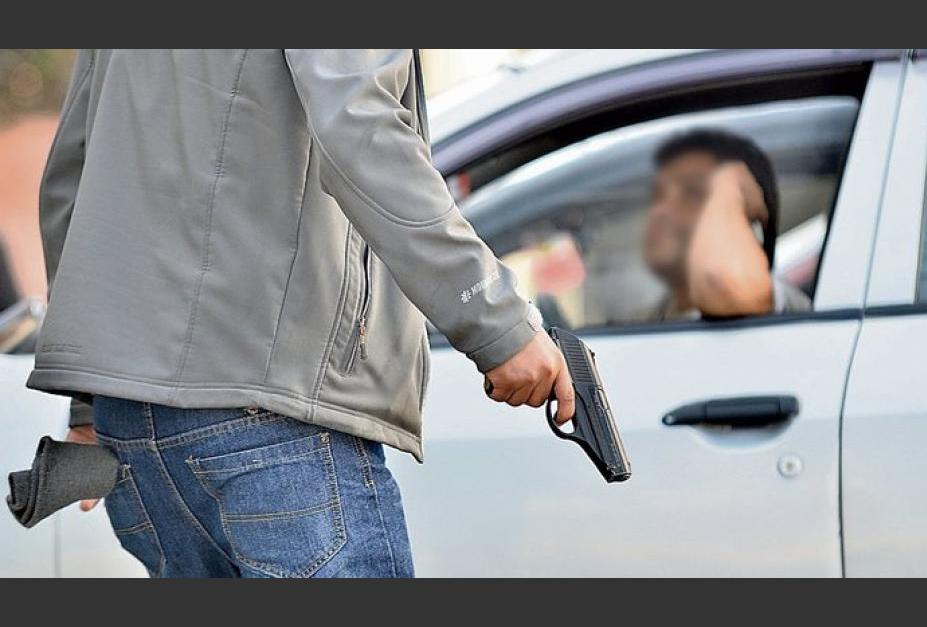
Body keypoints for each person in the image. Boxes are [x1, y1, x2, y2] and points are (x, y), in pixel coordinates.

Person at [29, 49, 574, 578]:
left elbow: (72, 176)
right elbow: (361, 125)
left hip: (131, 421)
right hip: (269, 406)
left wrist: (90, 399)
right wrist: (495, 320)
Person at [637, 128, 811, 322]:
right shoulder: (654, 316)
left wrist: (729, 180)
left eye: (692, 193)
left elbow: (733, 287)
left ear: (752, 230)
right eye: (658, 195)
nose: (661, 210)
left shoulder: (784, 306)